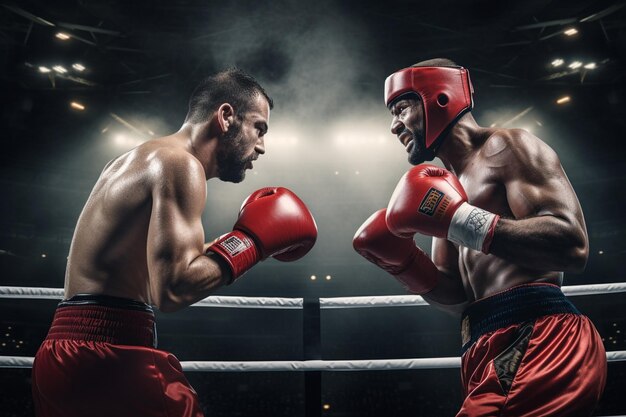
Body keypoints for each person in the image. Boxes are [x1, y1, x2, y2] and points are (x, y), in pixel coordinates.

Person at [31, 68, 318, 417]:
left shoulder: (133, 159)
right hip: (108, 357)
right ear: (226, 117)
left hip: (60, 353)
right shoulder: (180, 164)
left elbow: (153, 272)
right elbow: (172, 289)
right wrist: (252, 243)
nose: (261, 145)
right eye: (259, 128)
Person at [353, 58, 606, 416]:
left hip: (540, 337)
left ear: (438, 97)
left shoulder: (507, 147)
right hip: (486, 344)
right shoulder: (442, 187)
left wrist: (460, 219)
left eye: (401, 108)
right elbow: (456, 296)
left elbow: (572, 244)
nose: (394, 126)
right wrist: (402, 263)